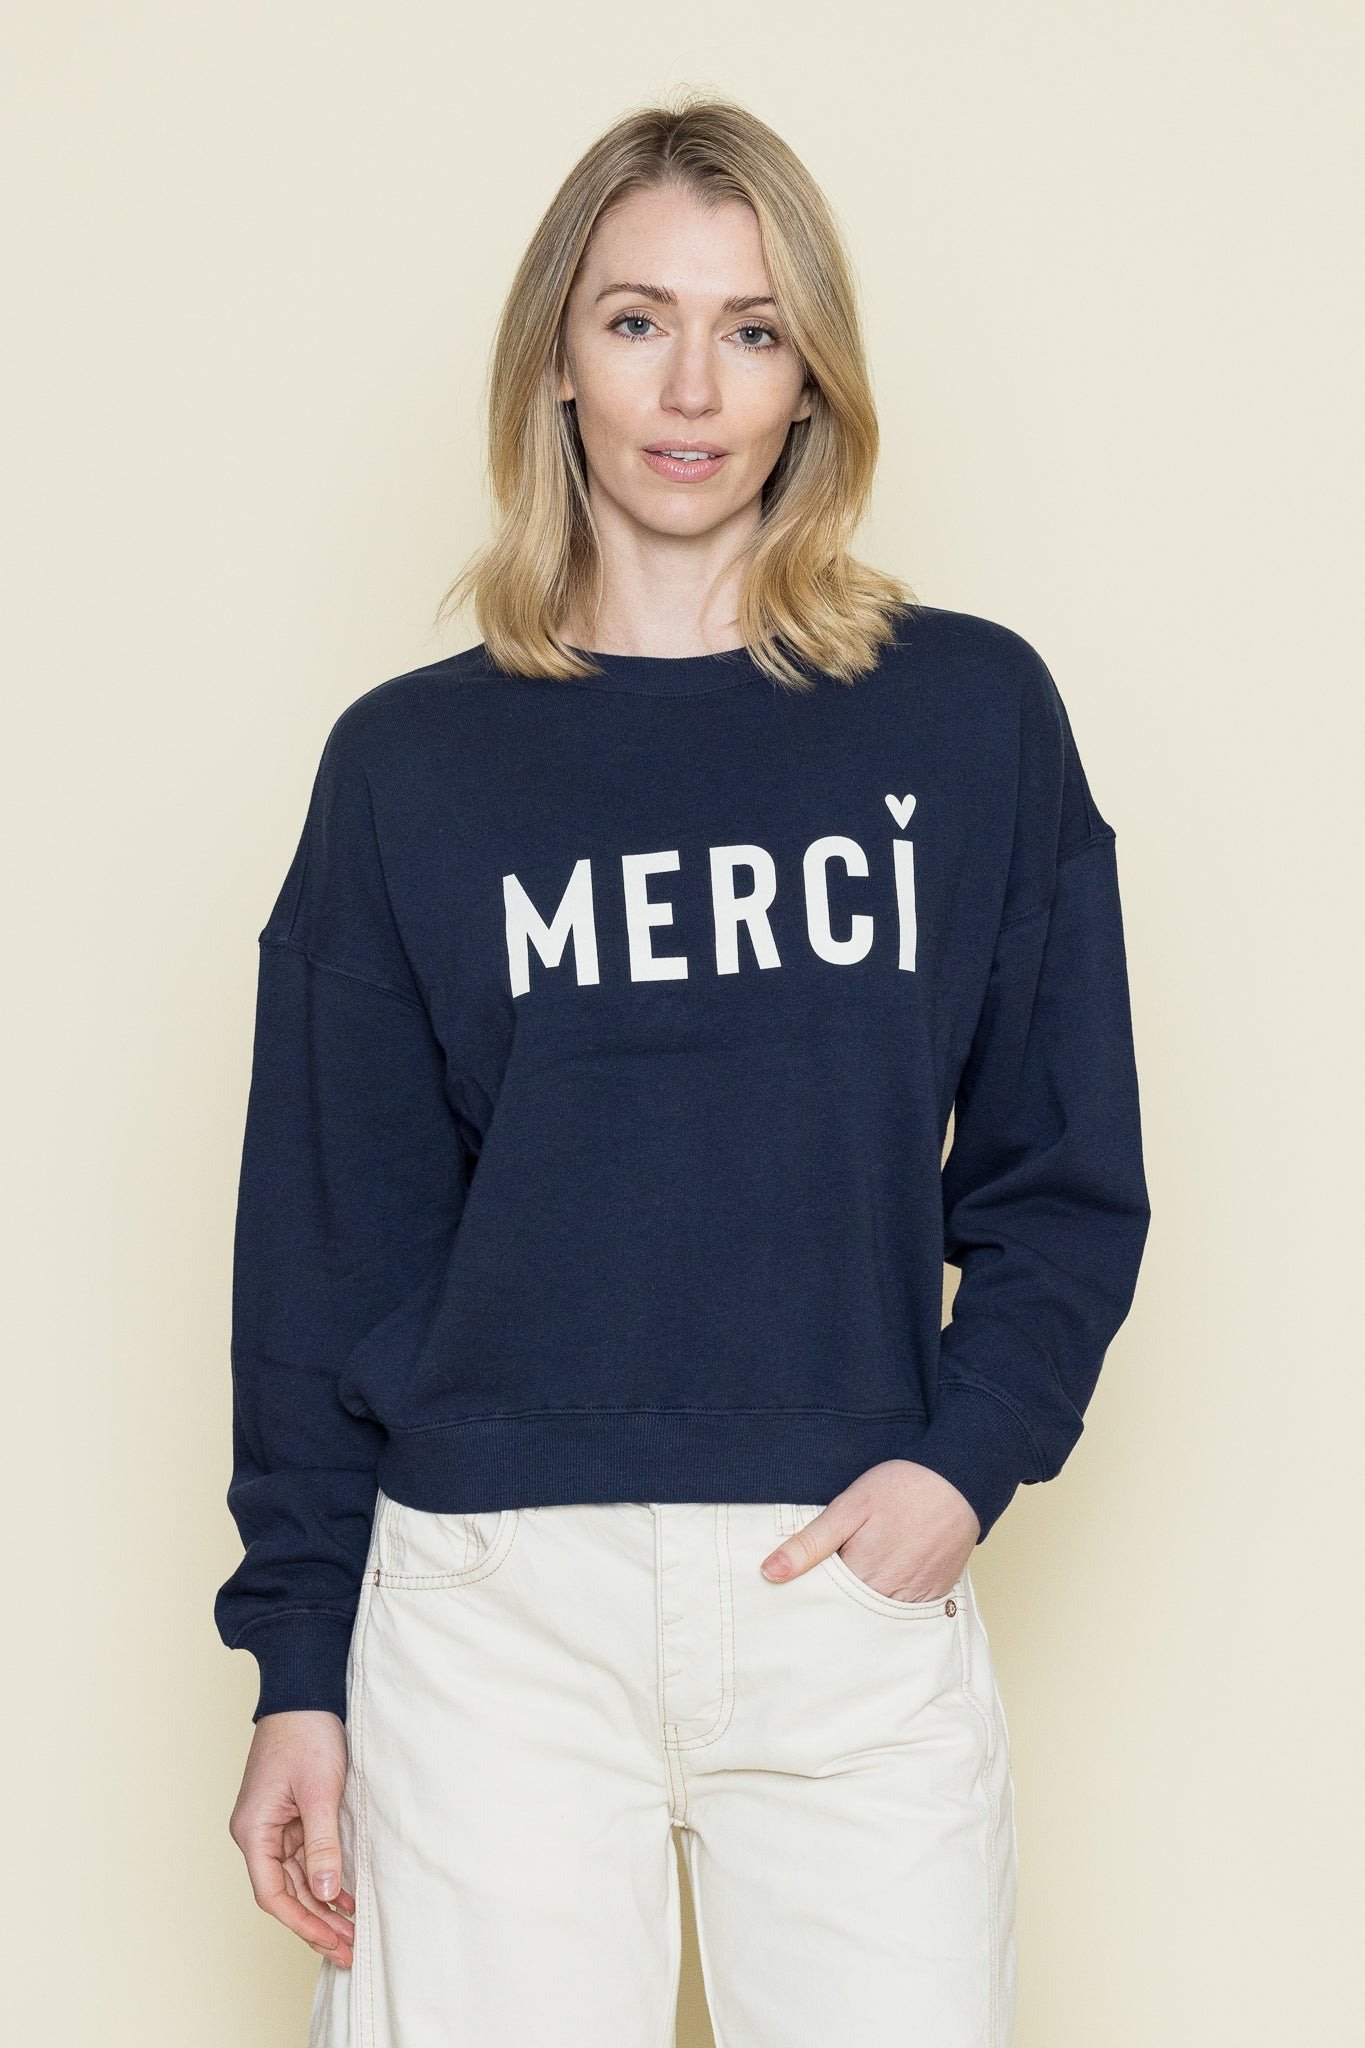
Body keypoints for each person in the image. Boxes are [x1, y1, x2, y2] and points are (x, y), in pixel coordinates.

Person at [215, 91, 1150, 2048]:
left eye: (751, 328)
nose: (692, 387)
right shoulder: (411, 766)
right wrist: (299, 1661)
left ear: (812, 375)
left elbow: (1060, 1172)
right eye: (637, 319)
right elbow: (326, 1243)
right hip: (488, 1607)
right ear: (557, 355)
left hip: (842, 1578)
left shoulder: (967, 717)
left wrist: (961, 1466)